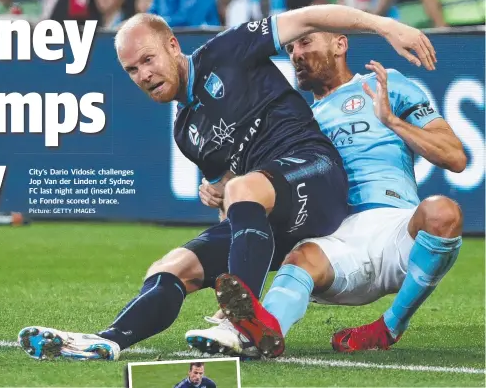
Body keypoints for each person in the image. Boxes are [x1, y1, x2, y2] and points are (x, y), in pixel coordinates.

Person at [16, 6, 436, 361]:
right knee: (169, 268)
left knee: (243, 191)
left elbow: (310, 17)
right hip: (276, 215)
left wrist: (387, 26)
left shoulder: (227, 50)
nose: (143, 74)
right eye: (132, 70)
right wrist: (220, 195)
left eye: (148, 60)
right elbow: (235, 210)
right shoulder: (186, 132)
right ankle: (108, 340)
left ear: (172, 47)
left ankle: (242, 321)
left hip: (317, 174)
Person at [186, 30, 465, 358]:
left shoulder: (387, 85)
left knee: (442, 213)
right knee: (300, 260)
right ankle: (252, 333)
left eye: (305, 42)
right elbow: (265, 204)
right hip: (335, 242)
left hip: (396, 231)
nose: (296, 54)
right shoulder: (296, 124)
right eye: (290, 48)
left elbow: (455, 157)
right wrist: (225, 198)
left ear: (340, 43)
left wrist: (392, 122)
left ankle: (389, 326)